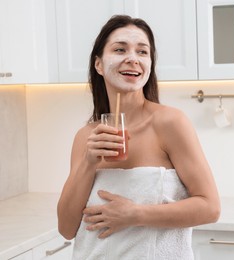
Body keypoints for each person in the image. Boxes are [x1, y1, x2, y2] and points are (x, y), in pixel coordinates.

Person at [57, 15, 220, 259]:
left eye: (142, 52)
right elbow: (67, 229)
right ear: (99, 64)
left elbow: (210, 208)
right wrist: (88, 162)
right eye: (120, 49)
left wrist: (136, 214)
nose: (133, 58)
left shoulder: (170, 123)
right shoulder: (86, 137)